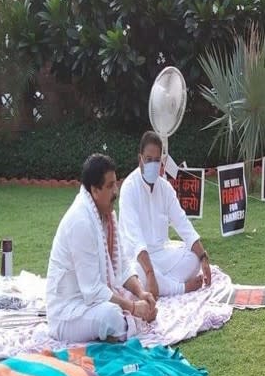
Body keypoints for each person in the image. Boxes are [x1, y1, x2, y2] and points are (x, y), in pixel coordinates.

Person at [46, 154, 157, 343]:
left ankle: (129, 319)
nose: (116, 191)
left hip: (91, 302)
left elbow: (121, 266)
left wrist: (141, 293)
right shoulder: (81, 221)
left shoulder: (107, 215)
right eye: (110, 186)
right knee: (112, 317)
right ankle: (126, 323)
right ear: (95, 190)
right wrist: (132, 307)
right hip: (68, 312)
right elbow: (92, 291)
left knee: (137, 282)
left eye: (116, 183)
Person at [118, 131, 211, 298]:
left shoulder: (165, 188)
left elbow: (182, 223)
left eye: (156, 160)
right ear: (140, 159)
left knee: (193, 259)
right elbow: (135, 239)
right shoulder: (129, 188)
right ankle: (179, 288)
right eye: (148, 159)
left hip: (162, 254)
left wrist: (203, 257)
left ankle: (161, 285)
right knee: (135, 274)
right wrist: (150, 273)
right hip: (138, 258)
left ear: (162, 160)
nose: (153, 164)